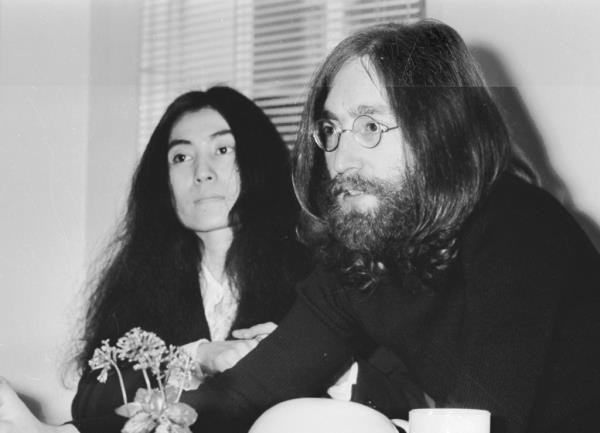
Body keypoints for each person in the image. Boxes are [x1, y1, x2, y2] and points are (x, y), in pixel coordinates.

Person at [0, 86, 413, 433]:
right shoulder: (141, 280)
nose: (202, 172)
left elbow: (405, 399)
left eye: (222, 149)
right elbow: (91, 399)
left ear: (258, 161)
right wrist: (197, 356)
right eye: (181, 157)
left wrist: (323, 363)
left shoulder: (323, 271)